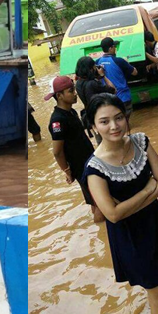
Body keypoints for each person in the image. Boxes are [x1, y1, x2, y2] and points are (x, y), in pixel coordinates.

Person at [82, 93, 158, 314]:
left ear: (126, 117)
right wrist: (147, 189)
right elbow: (112, 215)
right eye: (104, 121)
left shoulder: (140, 141)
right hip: (130, 237)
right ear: (93, 126)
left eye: (118, 118)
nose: (114, 126)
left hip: (154, 223)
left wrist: (134, 202)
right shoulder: (95, 169)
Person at [46, 76, 104, 223]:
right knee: (99, 201)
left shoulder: (71, 112)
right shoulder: (57, 120)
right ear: (59, 96)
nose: (75, 93)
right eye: (70, 91)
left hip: (88, 161)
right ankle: (102, 231)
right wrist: (67, 171)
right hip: (81, 166)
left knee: (94, 199)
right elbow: (57, 151)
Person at [74, 56, 116, 141]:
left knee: (100, 141)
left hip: (90, 117)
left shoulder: (78, 83)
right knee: (111, 140)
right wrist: (103, 76)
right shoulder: (93, 84)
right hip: (102, 115)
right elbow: (113, 90)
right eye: (94, 67)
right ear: (90, 69)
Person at [96, 37, 138, 117]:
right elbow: (135, 72)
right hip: (123, 97)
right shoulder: (119, 61)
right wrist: (127, 62)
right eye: (114, 46)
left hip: (108, 100)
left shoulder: (97, 62)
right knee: (125, 122)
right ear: (110, 48)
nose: (115, 48)